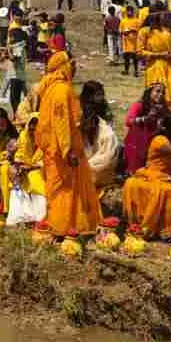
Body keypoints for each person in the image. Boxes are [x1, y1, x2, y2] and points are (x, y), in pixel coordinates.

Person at [37, 52, 102, 235]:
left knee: (64, 188)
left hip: (58, 148)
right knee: (66, 188)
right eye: (72, 63)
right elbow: (61, 122)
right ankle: (64, 226)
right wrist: (68, 150)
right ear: (63, 65)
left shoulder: (53, 88)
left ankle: (66, 224)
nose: (74, 68)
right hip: (64, 149)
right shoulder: (61, 90)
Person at [122, 113, 171, 240]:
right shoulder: (159, 140)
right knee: (163, 191)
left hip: (166, 177)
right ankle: (158, 228)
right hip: (153, 175)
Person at [139, 10, 171, 112]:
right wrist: (160, 55)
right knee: (157, 95)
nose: (162, 19)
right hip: (156, 68)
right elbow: (140, 52)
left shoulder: (167, 30)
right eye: (160, 17)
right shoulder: (145, 31)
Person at [78, 81, 119, 190]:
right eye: (98, 95)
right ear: (90, 96)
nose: (101, 97)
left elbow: (109, 121)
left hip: (99, 138)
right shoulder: (80, 107)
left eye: (102, 94)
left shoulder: (103, 106)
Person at [123, 84, 167, 175]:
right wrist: (145, 119)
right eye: (157, 91)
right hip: (138, 140)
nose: (161, 94)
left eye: (163, 92)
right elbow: (128, 121)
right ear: (149, 92)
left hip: (154, 138)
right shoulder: (139, 105)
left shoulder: (163, 107)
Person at [119, 5, 141, 77]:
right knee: (126, 57)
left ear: (132, 12)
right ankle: (126, 70)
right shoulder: (123, 21)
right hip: (126, 42)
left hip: (135, 42)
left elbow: (139, 31)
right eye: (128, 11)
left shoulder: (137, 20)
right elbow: (121, 31)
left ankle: (136, 71)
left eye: (130, 11)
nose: (129, 12)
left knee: (135, 58)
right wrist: (124, 33)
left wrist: (133, 30)